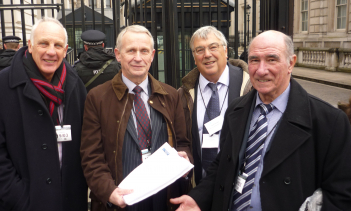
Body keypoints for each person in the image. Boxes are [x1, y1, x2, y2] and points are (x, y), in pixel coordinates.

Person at [171, 30, 351, 210]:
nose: (261, 69)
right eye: (254, 60)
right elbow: (223, 165)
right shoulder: (236, 109)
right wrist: (198, 198)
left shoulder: (330, 122)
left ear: (291, 63)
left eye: (272, 59)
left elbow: (340, 195)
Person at [0, 17, 88, 211]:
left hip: (70, 201)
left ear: (65, 49)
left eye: (58, 45)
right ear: (29, 45)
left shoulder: (75, 85)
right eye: (43, 43)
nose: (51, 51)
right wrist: (19, 198)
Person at [80, 25, 193, 211]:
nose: (138, 58)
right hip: (120, 200)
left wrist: (184, 162)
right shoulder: (97, 97)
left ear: (152, 55)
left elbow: (183, 143)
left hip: (163, 200)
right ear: (117, 54)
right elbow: (91, 156)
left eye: (144, 51)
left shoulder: (170, 95)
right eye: (131, 50)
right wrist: (109, 192)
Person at [178, 26, 251, 185]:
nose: (207, 54)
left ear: (225, 51)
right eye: (200, 50)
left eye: (213, 47)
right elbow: (181, 141)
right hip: (198, 185)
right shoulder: (182, 95)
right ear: (194, 56)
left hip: (239, 188)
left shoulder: (251, 87)